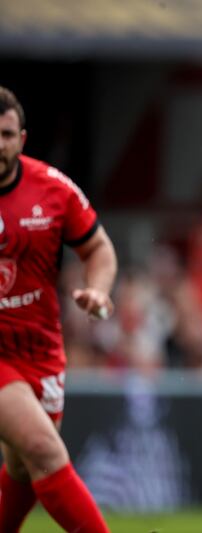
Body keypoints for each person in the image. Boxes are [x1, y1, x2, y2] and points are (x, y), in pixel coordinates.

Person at [0, 86, 115, 532]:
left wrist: (99, 291)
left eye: (6, 134)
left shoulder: (52, 189)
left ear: (22, 138)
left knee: (26, 466)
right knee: (46, 451)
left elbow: (98, 249)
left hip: (41, 349)